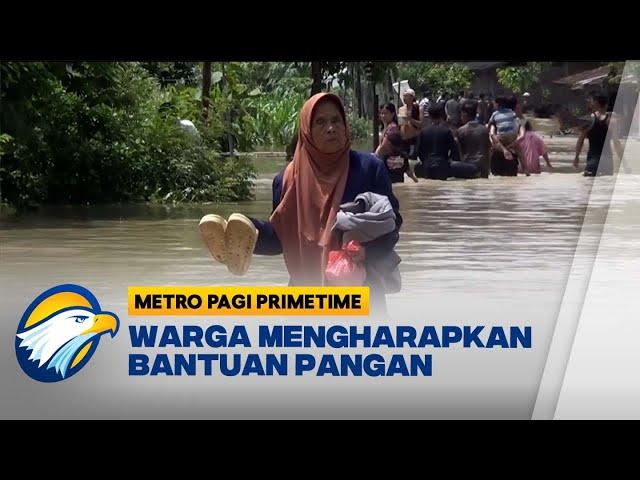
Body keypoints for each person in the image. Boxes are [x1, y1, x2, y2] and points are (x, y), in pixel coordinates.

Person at [201, 93, 402, 311]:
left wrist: (366, 252)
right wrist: (246, 234)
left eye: (336, 120)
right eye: (320, 122)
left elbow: (392, 225)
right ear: (306, 130)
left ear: (345, 126)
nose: (331, 128)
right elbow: (281, 240)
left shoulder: (369, 169)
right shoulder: (286, 180)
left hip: (361, 290)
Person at [416, 102, 477, 180]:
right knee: (473, 169)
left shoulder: (423, 132)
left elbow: (417, 152)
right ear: (442, 115)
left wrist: (425, 162)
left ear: (429, 115)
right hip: (442, 165)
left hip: (427, 166)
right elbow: (454, 152)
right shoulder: (447, 131)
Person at [574, 92, 624, 176]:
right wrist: (624, 162)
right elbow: (616, 142)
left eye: (592, 101)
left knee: (588, 185)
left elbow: (580, 140)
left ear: (596, 103)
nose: (590, 102)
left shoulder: (588, 119)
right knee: (606, 186)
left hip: (592, 161)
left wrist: (576, 157)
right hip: (607, 162)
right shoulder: (611, 120)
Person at [375, 103, 418, 183]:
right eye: (381, 113)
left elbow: (382, 149)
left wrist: (372, 159)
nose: (383, 116)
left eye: (386, 113)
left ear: (392, 114)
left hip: (392, 165)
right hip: (395, 163)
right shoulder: (386, 128)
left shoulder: (392, 128)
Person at [488, 95, 522, 176]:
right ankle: (526, 168)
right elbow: (517, 123)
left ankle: (487, 168)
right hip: (512, 139)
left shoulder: (495, 115)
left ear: (497, 104)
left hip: (499, 144)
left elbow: (490, 129)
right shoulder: (512, 113)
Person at [456, 100, 491, 178]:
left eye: (461, 114)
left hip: (467, 166)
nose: (460, 117)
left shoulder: (461, 131)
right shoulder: (484, 129)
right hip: (482, 166)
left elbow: (459, 152)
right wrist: (488, 168)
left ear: (465, 114)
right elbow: (488, 149)